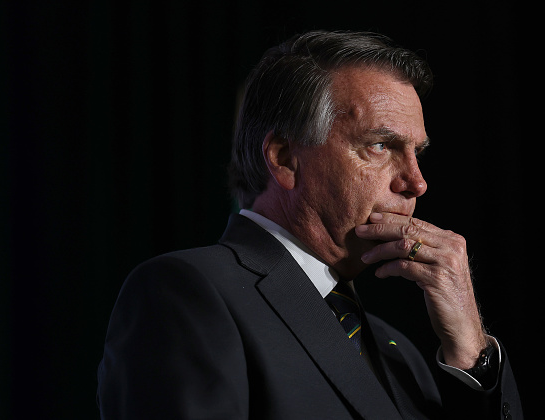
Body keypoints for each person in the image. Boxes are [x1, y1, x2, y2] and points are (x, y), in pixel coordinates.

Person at [97, 30, 522, 419]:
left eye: (418, 153)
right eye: (380, 145)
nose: (417, 182)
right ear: (284, 158)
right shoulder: (186, 293)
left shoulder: (402, 355)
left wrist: (472, 351)